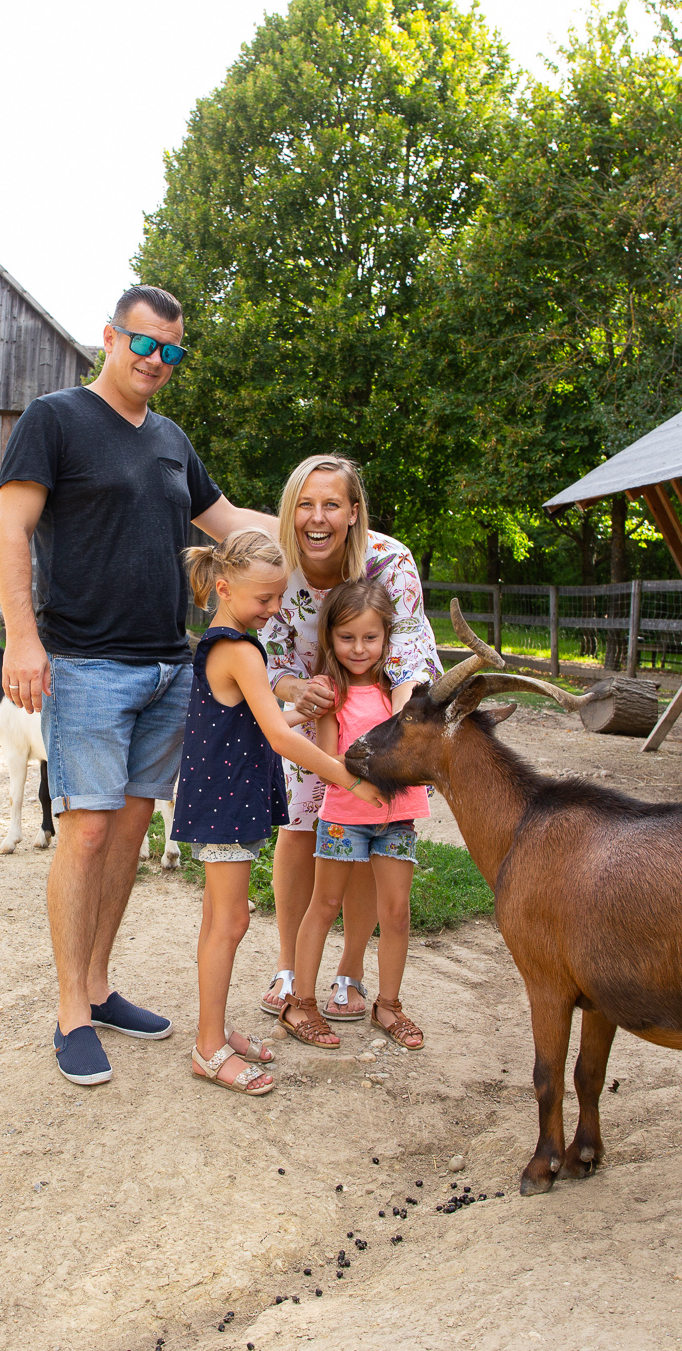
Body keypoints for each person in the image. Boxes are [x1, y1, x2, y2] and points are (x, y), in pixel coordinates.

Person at [0, 284, 279, 1087]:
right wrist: (22, 635)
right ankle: (69, 1013)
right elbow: (11, 528)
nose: (156, 361)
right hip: (84, 663)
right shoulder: (53, 419)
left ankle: (98, 982)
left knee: (126, 832)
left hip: (167, 666)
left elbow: (232, 527)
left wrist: (336, 528)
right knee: (82, 831)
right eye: (143, 344)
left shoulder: (170, 440)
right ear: (110, 337)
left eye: (173, 351)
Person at [172, 530, 386, 1094]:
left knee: (217, 919)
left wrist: (303, 707)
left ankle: (211, 1030)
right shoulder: (238, 649)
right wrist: (346, 775)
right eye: (264, 600)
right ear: (223, 587)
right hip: (224, 802)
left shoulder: (231, 642)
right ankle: (208, 1049)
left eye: (277, 598)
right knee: (233, 920)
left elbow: (259, 721)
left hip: (222, 794)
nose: (274, 610)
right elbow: (276, 734)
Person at [257, 456, 440, 1024]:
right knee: (297, 827)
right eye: (305, 505)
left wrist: (395, 745)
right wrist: (296, 690)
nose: (318, 518)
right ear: (290, 512)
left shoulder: (391, 562)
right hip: (309, 710)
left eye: (331, 504)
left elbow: (409, 654)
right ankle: (289, 969)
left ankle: (351, 972)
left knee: (365, 842)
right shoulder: (273, 567)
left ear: (353, 512)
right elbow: (266, 654)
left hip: (380, 714)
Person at [277, 580, 430, 1052]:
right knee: (324, 905)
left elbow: (416, 743)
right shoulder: (327, 689)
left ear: (386, 637)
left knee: (397, 913)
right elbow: (326, 756)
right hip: (344, 815)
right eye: (347, 638)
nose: (359, 648)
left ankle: (389, 1004)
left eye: (370, 637)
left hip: (398, 815)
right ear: (330, 639)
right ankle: (300, 1003)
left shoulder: (401, 687)